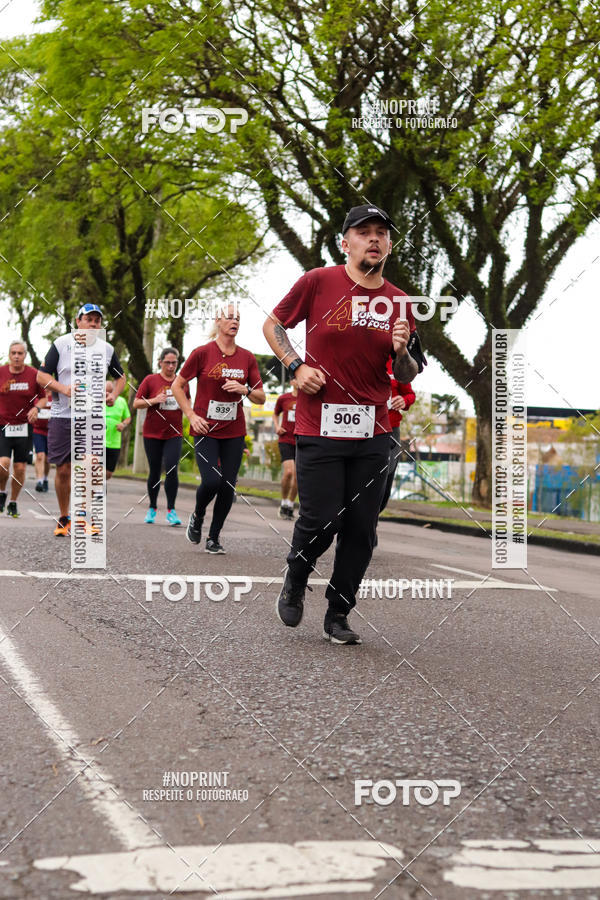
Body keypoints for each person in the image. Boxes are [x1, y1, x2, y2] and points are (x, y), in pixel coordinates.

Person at [263, 204, 426, 644]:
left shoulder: (398, 302)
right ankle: (296, 576)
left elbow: (409, 374)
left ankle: (338, 613)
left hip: (375, 431)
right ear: (345, 242)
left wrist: (401, 352)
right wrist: (295, 366)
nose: (373, 239)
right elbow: (274, 324)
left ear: (389, 245)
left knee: (361, 530)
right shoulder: (319, 281)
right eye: (363, 232)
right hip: (319, 425)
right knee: (321, 521)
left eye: (381, 233)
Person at [172, 303, 265, 553]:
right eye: (229, 317)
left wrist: (245, 389)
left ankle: (213, 537)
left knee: (228, 485)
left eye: (238, 318)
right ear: (218, 321)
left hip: (234, 431)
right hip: (205, 428)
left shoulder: (247, 357)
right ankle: (198, 515)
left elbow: (261, 397)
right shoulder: (202, 352)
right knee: (212, 481)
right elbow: (177, 386)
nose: (234, 321)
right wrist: (190, 415)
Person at [37, 303, 126, 536]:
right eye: (89, 319)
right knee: (64, 469)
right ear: (78, 322)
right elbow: (41, 375)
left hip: (92, 416)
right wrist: (63, 389)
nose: (93, 324)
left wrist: (114, 395)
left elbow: (121, 377)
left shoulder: (106, 349)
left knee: (91, 464)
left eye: (97, 320)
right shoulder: (61, 344)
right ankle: (64, 517)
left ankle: (82, 517)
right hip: (63, 415)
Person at [133, 347, 188, 525]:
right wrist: (154, 400)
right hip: (152, 433)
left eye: (174, 363)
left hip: (174, 432)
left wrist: (185, 406)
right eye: (167, 363)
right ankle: (152, 507)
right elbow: (136, 403)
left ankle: (171, 510)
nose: (171, 366)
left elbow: (188, 402)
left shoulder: (182, 382)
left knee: (172, 468)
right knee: (155, 471)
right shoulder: (151, 380)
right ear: (160, 362)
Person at [0, 340, 45, 517]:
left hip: (24, 427)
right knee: (3, 464)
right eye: (14, 353)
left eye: (20, 353)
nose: (17, 356)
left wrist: (37, 408)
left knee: (20, 468)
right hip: (3, 425)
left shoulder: (34, 374)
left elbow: (42, 398)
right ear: (9, 355)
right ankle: (2, 492)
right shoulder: (1, 372)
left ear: (25, 355)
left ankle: (13, 502)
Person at [380, 360, 415, 513]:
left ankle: (374, 516)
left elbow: (409, 394)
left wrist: (404, 400)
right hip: (365, 429)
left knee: (387, 473)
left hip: (391, 429)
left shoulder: (395, 363)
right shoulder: (361, 356)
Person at [273, 379, 298, 520]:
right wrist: (277, 426)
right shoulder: (284, 398)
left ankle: (290, 504)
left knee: (298, 476)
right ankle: (283, 502)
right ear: (291, 381)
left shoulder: (308, 398)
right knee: (289, 472)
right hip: (286, 440)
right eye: (296, 378)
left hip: (302, 441)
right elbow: (275, 413)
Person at [105, 381, 131, 481]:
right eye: (106, 392)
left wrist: (123, 424)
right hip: (98, 442)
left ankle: (97, 486)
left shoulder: (121, 401)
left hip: (114, 443)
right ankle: (96, 491)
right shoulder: (96, 400)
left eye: (111, 392)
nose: (108, 394)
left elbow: (128, 418)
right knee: (97, 470)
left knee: (108, 473)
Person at [33, 390, 52, 492]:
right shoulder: (37, 396)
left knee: (47, 459)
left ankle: (45, 479)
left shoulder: (55, 396)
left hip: (51, 431)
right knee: (40, 455)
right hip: (38, 430)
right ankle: (39, 481)